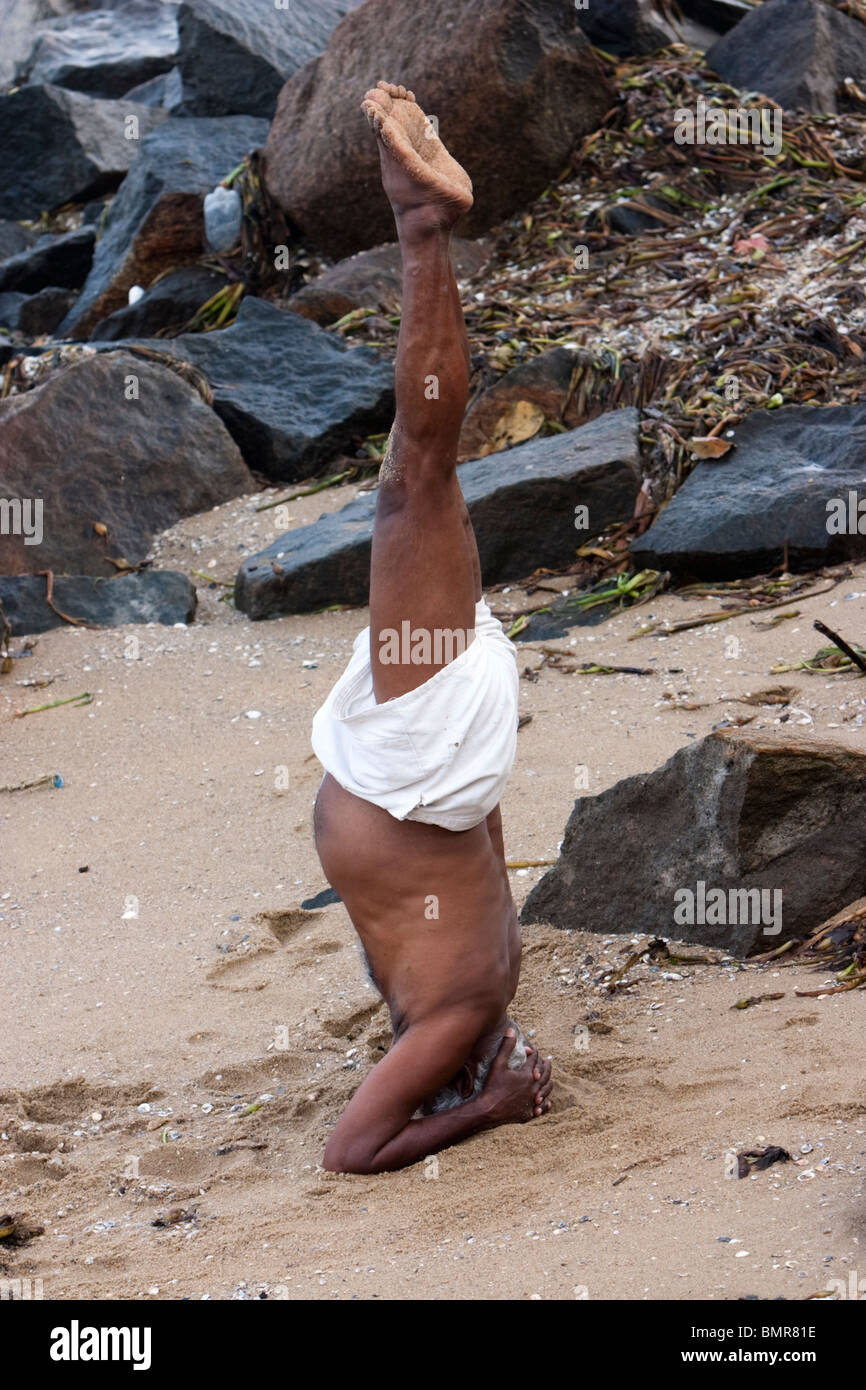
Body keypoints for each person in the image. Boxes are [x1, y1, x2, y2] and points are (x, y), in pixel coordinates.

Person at [311, 82, 552, 1174]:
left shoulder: (463, 1005)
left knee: (421, 480)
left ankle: (418, 221)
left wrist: (488, 1104)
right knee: (417, 484)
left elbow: (353, 1152)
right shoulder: (465, 992)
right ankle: (416, 220)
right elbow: (487, 849)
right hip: (424, 785)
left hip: (414, 773)